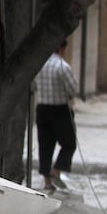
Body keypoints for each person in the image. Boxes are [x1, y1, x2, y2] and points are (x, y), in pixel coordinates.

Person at [34, 39, 79, 192]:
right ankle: (57, 170)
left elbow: (34, 86)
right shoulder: (63, 66)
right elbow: (73, 89)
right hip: (60, 109)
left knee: (45, 145)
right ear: (61, 48)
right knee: (69, 143)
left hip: (42, 108)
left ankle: (47, 182)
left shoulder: (40, 64)